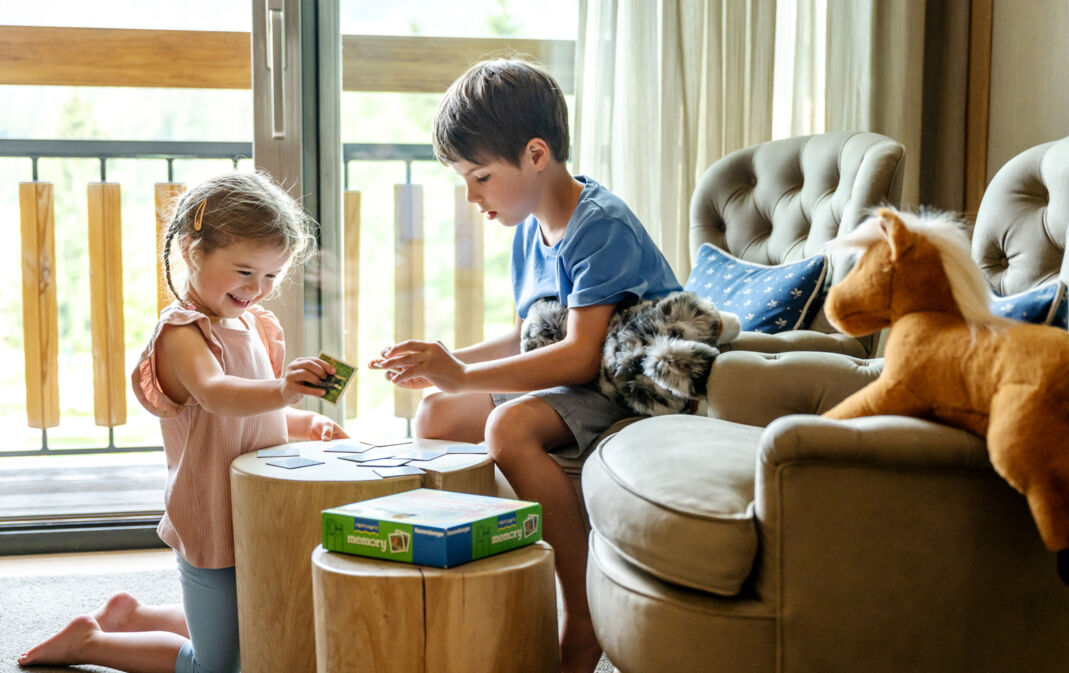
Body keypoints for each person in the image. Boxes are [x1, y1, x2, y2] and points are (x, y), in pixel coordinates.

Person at [370, 58, 682, 673]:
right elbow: (526, 336)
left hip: (627, 383)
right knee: (435, 413)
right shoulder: (529, 228)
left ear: (536, 155)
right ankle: (479, 580)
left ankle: (584, 612)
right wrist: (448, 365)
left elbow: (581, 353)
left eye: (480, 176)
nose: (472, 196)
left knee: (506, 427)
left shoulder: (600, 225)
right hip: (573, 377)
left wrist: (462, 373)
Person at [18, 171, 347, 673]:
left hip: (257, 507)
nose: (257, 289)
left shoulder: (253, 324)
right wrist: (283, 389)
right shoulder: (181, 333)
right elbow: (218, 397)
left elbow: (252, 414)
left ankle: (132, 616)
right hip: (211, 512)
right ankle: (91, 642)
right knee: (218, 667)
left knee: (254, 620)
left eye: (271, 276)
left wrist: (305, 425)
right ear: (193, 252)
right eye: (244, 272)